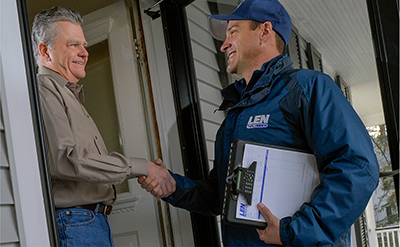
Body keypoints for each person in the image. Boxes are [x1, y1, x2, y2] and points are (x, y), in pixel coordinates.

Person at [139, 0, 380, 246]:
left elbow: (357, 167)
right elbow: (220, 196)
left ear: (264, 31)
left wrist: (293, 231)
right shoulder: (234, 118)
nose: (223, 45)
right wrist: (172, 186)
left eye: (233, 31)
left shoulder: (306, 88)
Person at [31, 7, 175, 246]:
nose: (84, 53)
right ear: (45, 51)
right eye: (73, 45)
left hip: (88, 222)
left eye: (84, 45)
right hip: (76, 222)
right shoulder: (44, 88)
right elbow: (66, 160)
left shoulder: (69, 94)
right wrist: (143, 167)